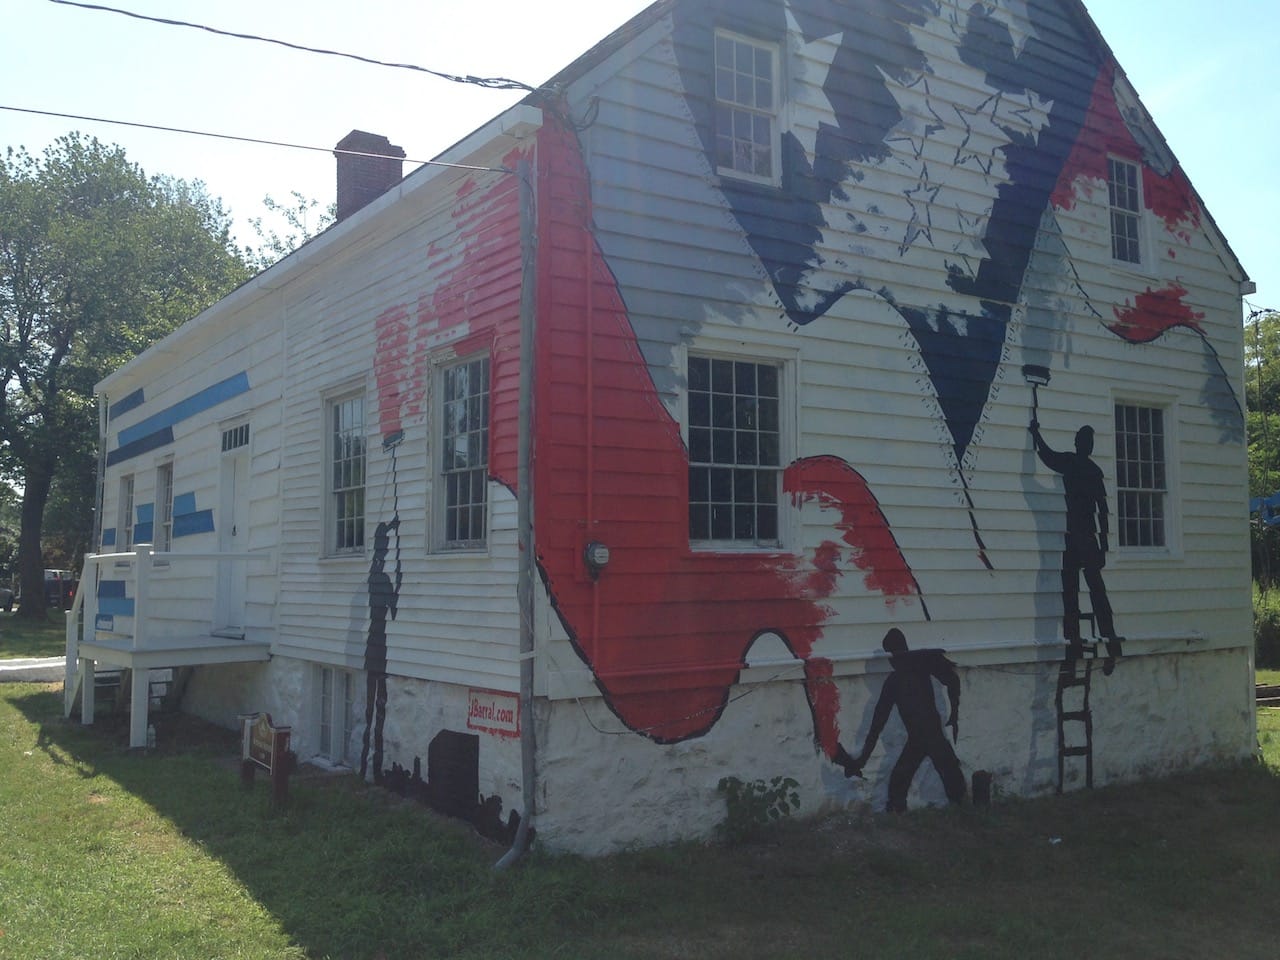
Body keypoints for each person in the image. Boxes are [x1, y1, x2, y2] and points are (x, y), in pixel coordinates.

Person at [1029, 419, 1123, 670]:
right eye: (1086, 442)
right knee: (1072, 589)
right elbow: (1048, 456)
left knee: (1092, 590)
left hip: (1085, 537)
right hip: (1076, 537)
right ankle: (1075, 643)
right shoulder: (1075, 464)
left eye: (1090, 443)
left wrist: (1104, 544)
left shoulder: (1091, 470)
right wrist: (1036, 435)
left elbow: (1103, 511)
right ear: (1079, 443)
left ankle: (1108, 642)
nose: (1088, 446)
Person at [843, 628, 966, 812]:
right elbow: (877, 724)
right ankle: (897, 811)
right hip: (917, 739)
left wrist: (954, 713)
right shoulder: (895, 681)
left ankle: (963, 810)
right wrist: (862, 760)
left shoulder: (920, 666)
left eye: (892, 654)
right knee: (899, 782)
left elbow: (952, 678)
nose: (892, 659)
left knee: (950, 777)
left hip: (931, 735)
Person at [359, 516, 401, 781]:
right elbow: (393, 611)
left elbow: (392, 609)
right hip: (378, 643)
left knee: (376, 703)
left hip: (376, 644)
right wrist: (397, 586)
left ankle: (372, 766)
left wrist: (391, 527)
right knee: (373, 706)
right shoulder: (380, 579)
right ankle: (369, 764)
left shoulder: (375, 577)